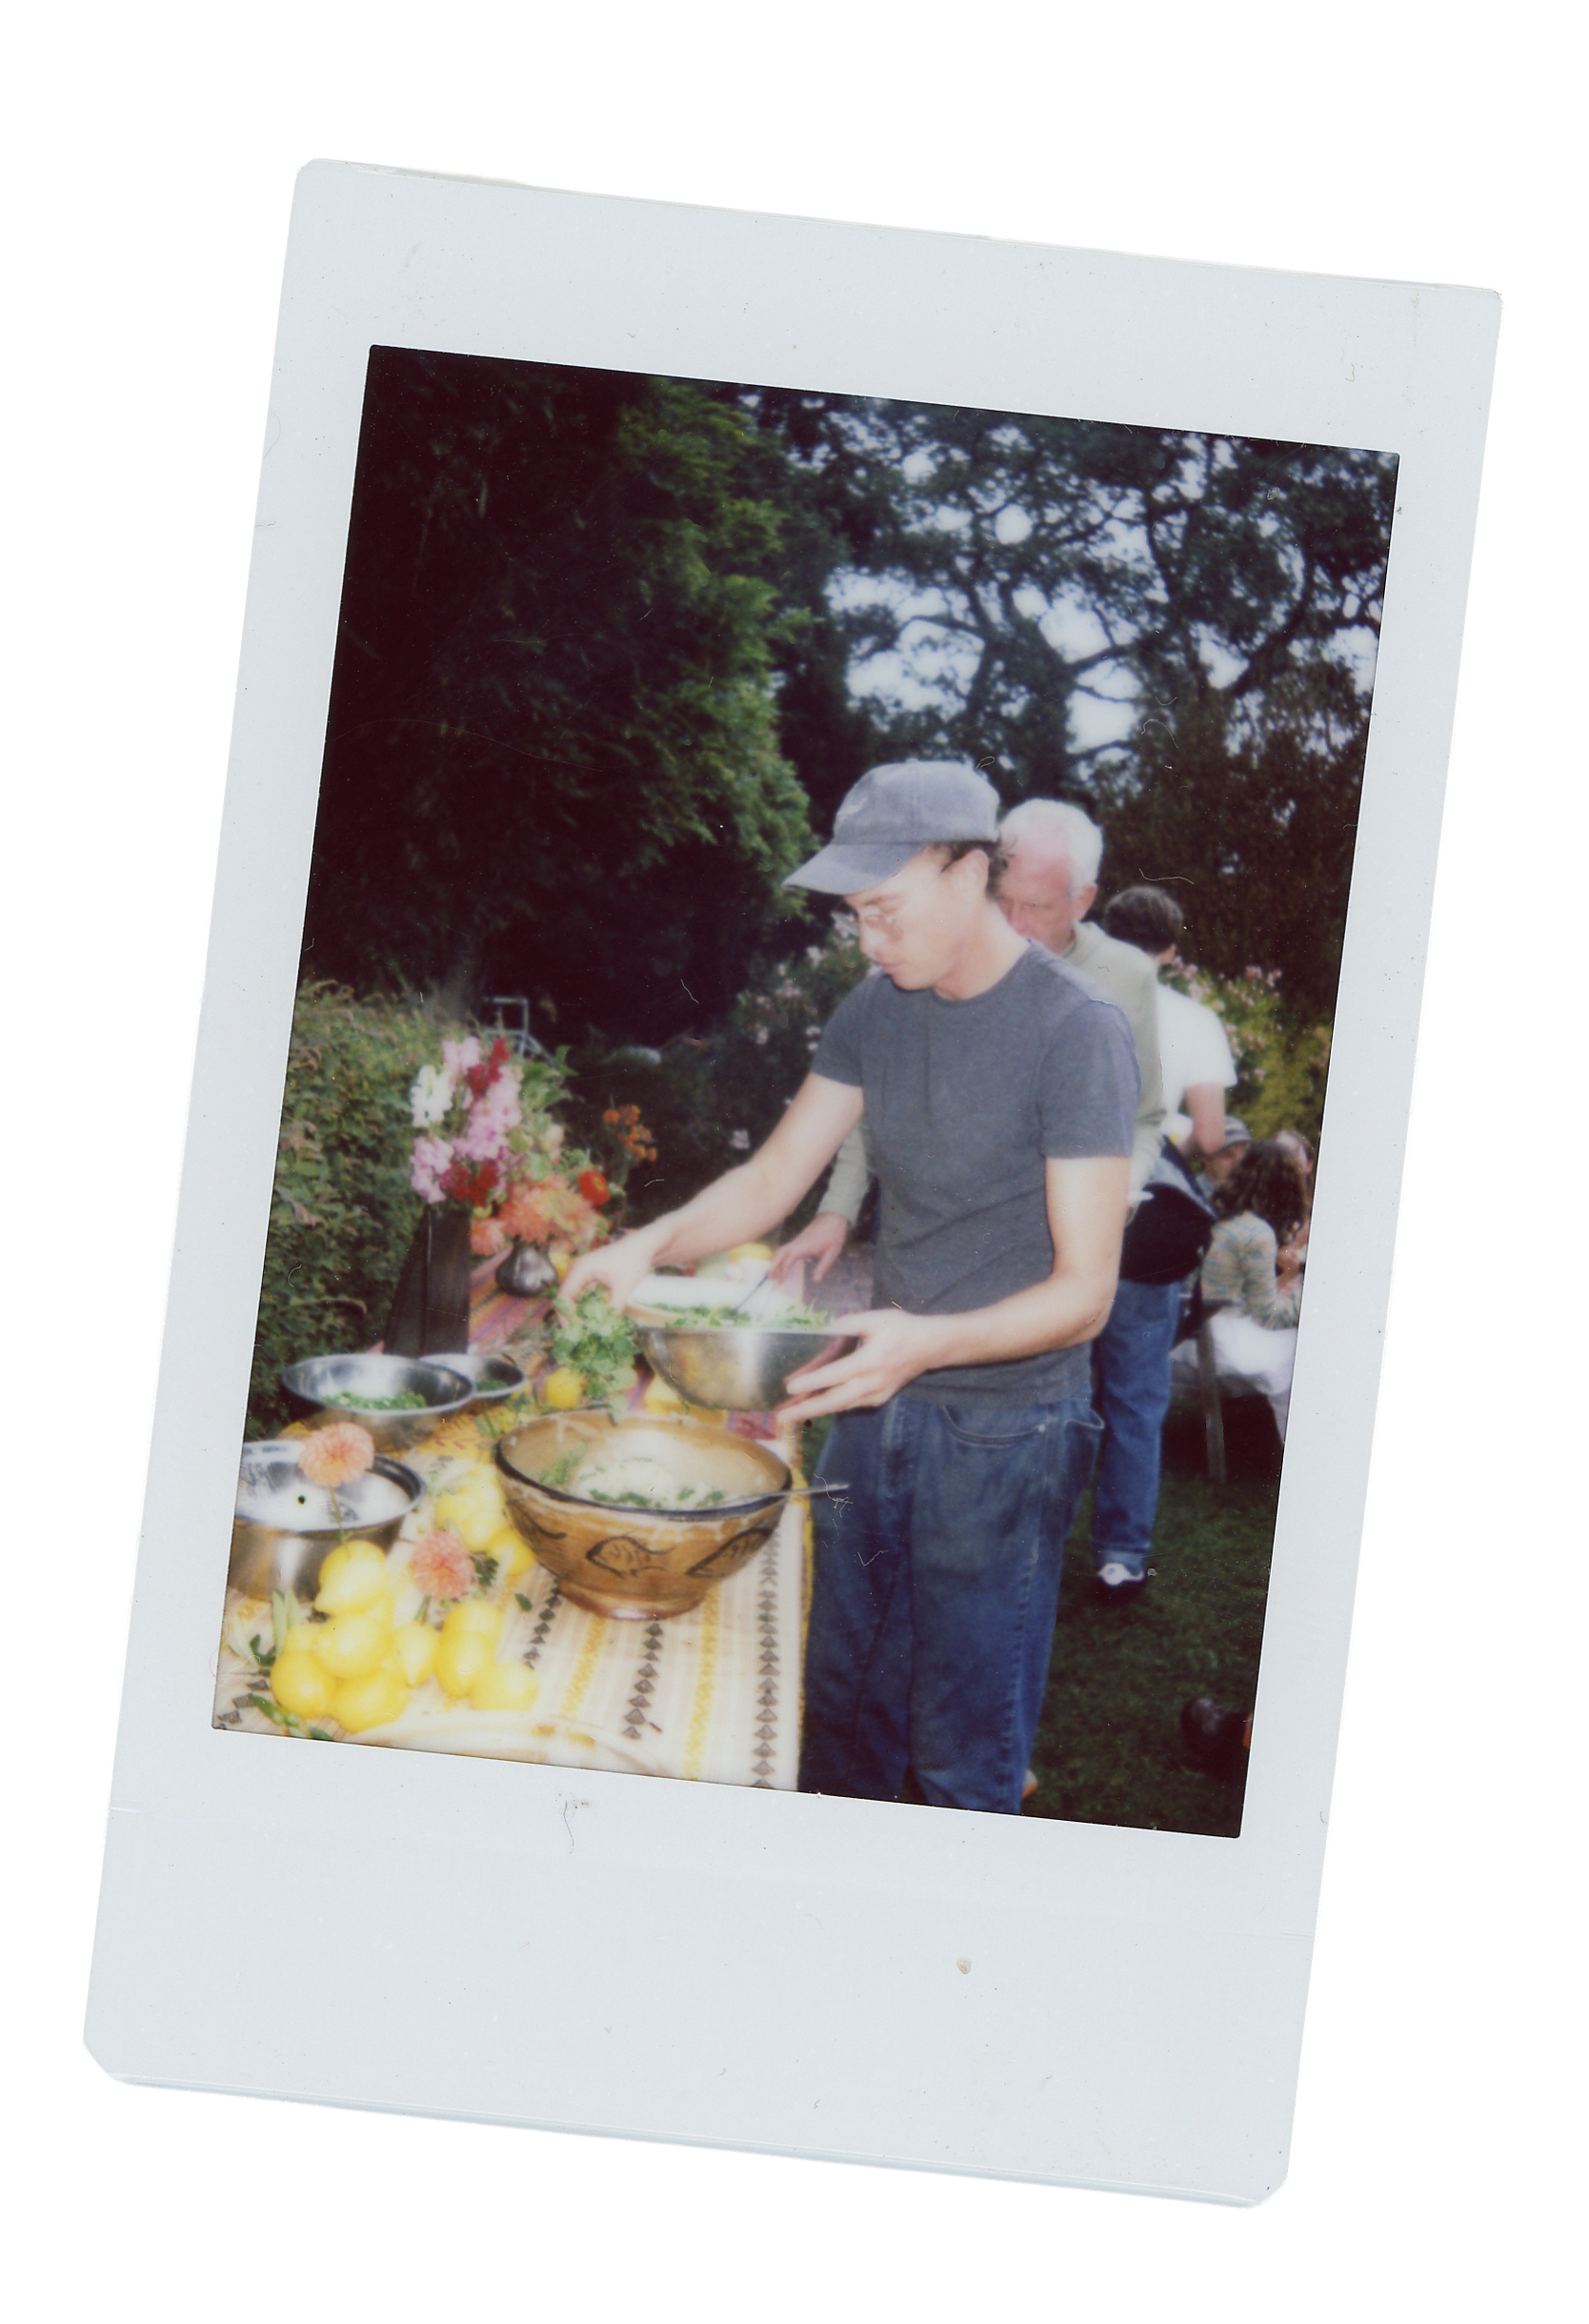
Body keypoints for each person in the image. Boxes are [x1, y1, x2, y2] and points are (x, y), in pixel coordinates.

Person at [564, 760, 1139, 1814]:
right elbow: (777, 1176)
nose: (869, 942)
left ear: (970, 872)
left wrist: (922, 1343)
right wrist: (649, 1244)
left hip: (1008, 1431)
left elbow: (1086, 1294)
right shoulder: (877, 1009)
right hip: (877, 1402)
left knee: (964, 1751)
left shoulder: (1076, 1031)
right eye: (856, 917)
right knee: (844, 1714)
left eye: (886, 910)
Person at [779, 796, 1173, 1605]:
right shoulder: (902, 987)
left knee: (1132, 1385)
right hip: (900, 1362)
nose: (1018, 923)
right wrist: (837, 1206)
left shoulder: (1103, 999)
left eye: (1037, 907)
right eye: (1011, 901)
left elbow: (1143, 1117)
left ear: (1082, 903)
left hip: (1016, 1392)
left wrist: (1111, 1190)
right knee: (852, 1664)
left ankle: (1123, 1545)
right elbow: (867, 1117)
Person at [1174, 1139, 1307, 1444]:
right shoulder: (1255, 1231)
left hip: (1194, 1327)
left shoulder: (1223, 1213)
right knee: (1308, 1351)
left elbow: (1247, 1292)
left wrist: (1288, 1278)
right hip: (1217, 1338)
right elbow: (1270, 1316)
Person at [1099, 885, 1237, 1159]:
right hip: (1141, 1177)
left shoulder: (1066, 997)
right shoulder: (1198, 1021)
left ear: (1106, 940)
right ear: (1170, 952)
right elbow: (1209, 1137)